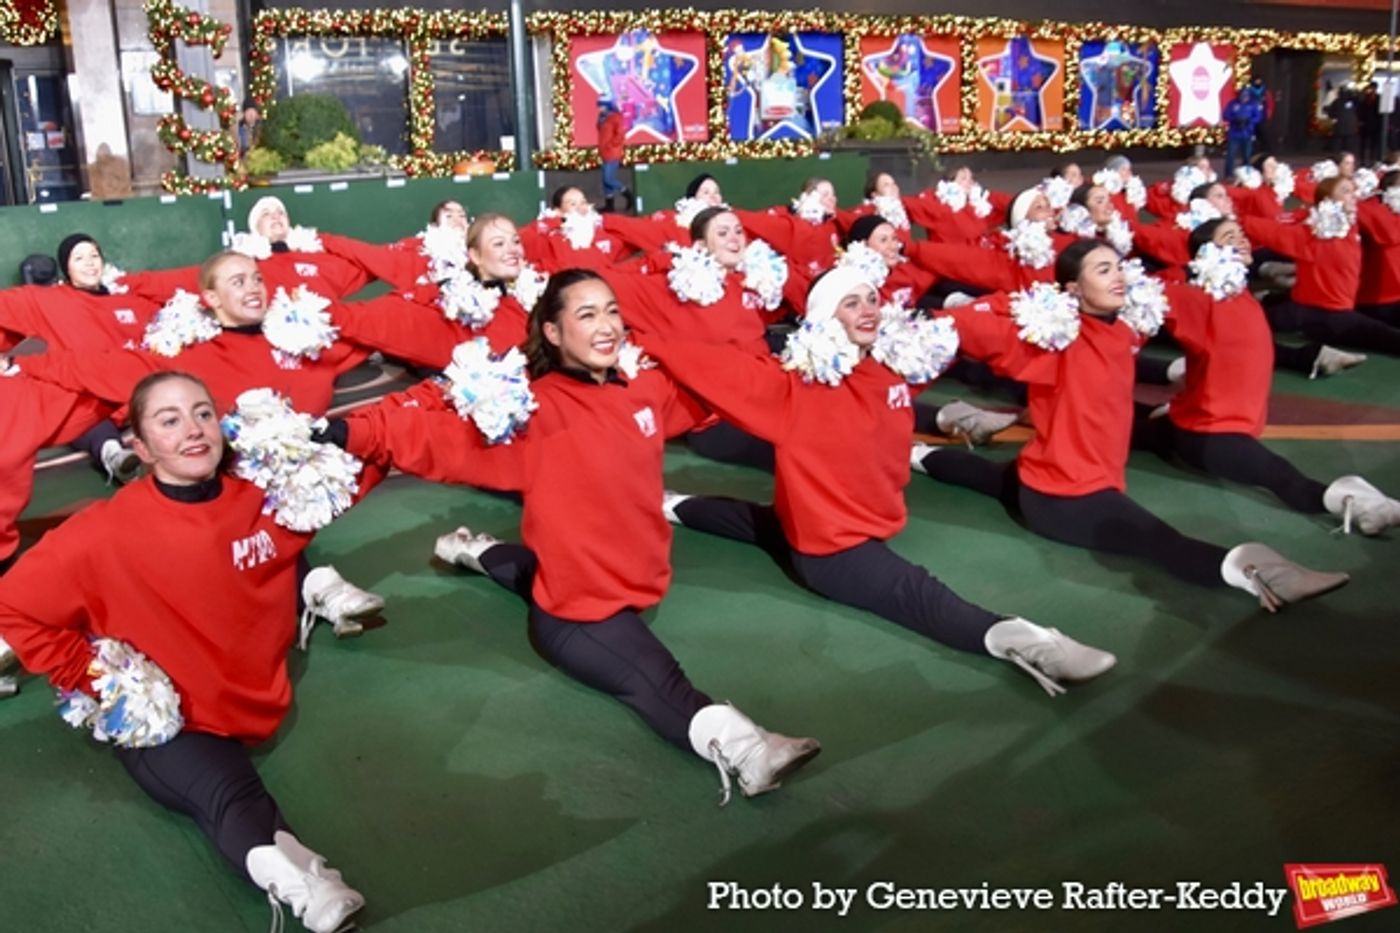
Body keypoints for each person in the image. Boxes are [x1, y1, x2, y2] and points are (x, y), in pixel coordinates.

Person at [332, 270, 822, 803]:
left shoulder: (641, 391)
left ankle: (473, 549)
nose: (607, 325)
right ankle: (750, 753)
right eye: (586, 315)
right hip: (579, 612)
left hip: (631, 578)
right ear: (553, 332)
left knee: (531, 569)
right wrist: (351, 431)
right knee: (656, 676)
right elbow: (440, 441)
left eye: (612, 310)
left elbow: (715, 385)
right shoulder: (533, 411)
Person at [0, 372, 367, 933]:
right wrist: (100, 680)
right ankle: (302, 883)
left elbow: (363, 469)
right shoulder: (103, 532)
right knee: (226, 788)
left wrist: (347, 438)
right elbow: (13, 605)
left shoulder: (264, 499)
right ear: (141, 449)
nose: (193, 430)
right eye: (168, 421)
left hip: (254, 696)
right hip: (173, 717)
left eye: (201, 412)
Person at [644, 266, 1118, 697]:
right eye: (851, 303)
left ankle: (671, 503)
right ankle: (1032, 643)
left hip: (835, 518)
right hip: (834, 550)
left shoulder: (893, 365)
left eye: (871, 298)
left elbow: (965, 327)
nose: (868, 309)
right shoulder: (791, 386)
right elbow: (707, 365)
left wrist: (1036, 306)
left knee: (761, 522)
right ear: (825, 318)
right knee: (916, 591)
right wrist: (640, 342)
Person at [914, 241, 1351, 612]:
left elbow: (1177, 285)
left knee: (992, 478)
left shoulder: (1124, 327)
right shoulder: (1051, 338)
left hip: (1048, 472)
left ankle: (918, 455)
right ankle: (1263, 574)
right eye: (1103, 270)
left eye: (1119, 266)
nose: (1119, 276)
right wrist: (999, 305)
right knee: (1158, 541)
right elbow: (963, 328)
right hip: (1068, 495)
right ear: (1072, 288)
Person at [1135, 219, 1400, 534]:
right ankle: (1357, 504)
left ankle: (1155, 418)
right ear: (1206, 254)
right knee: (1280, 477)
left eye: (1241, 234)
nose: (1243, 240)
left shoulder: (1237, 293)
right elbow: (1142, 298)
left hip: (1201, 419)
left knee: (1136, 430)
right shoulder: (1196, 298)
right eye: (1229, 236)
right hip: (1211, 432)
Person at [597, 100, 629, 213]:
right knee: (605, 181)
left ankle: (626, 192)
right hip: (604, 152)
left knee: (608, 179)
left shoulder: (615, 117)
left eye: (601, 106)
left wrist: (611, 145)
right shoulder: (602, 118)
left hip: (612, 152)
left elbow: (620, 134)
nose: (599, 109)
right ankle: (609, 205)